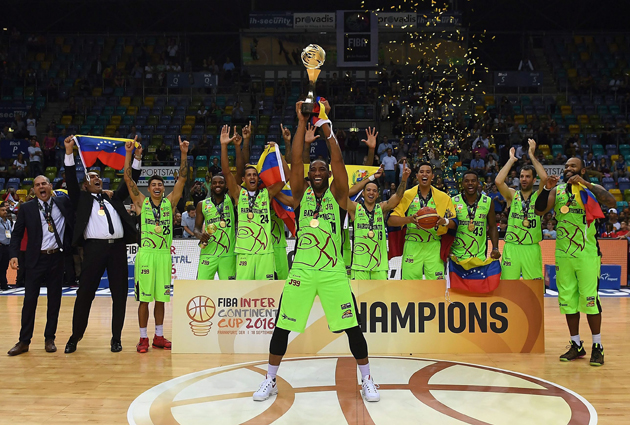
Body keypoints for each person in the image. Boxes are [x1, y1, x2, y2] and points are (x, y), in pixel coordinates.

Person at [253, 100, 380, 403]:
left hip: (333, 271)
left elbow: (337, 161)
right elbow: (296, 160)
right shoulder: (300, 194)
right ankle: (269, 380)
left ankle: (368, 381)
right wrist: (301, 123)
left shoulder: (338, 194)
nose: (319, 171)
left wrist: (327, 129)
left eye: (323, 169)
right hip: (302, 271)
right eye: (315, 169)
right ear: (310, 176)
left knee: (352, 329)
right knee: (282, 326)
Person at [62, 137, 142, 354]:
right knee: (85, 294)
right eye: (92, 177)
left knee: (120, 295)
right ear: (85, 185)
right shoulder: (82, 199)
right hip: (94, 250)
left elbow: (130, 181)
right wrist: (69, 152)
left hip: (117, 249)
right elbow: (70, 178)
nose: (97, 179)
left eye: (98, 177)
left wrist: (135, 157)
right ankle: (74, 337)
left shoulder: (113, 197)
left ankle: (116, 338)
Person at [535, 157, 616, 366]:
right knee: (568, 301)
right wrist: (545, 188)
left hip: (587, 254)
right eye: (567, 167)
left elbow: (611, 201)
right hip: (563, 254)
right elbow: (539, 210)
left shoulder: (591, 190)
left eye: (573, 166)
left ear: (583, 170)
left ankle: (597, 346)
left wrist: (587, 184)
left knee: (589, 300)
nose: (568, 169)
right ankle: (576, 344)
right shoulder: (558, 191)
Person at [124, 136, 189, 353]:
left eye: (160, 184)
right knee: (144, 299)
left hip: (163, 255)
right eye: (154, 185)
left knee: (161, 299)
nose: (158, 187)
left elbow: (182, 178)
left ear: (164, 187)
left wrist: (183, 153)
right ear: (148, 188)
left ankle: (158, 336)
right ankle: (143, 338)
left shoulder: (170, 204)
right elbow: (127, 178)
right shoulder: (141, 203)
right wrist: (130, 154)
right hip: (147, 254)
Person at [7, 175, 74, 356]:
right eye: (37, 185)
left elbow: (80, 198)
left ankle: (49, 338)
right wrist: (13, 255)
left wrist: (106, 193)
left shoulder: (62, 203)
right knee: (29, 301)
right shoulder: (27, 208)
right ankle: (24, 341)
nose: (41, 187)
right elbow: (17, 234)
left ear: (50, 186)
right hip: (35, 260)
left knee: (54, 301)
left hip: (57, 258)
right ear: (34, 190)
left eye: (44, 183)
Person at [219, 125, 285, 280]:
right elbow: (227, 172)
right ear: (243, 179)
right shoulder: (237, 193)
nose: (252, 177)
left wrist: (277, 152)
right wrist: (223, 146)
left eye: (255, 175)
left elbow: (284, 177)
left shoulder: (266, 194)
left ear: (258, 178)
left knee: (265, 293)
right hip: (244, 251)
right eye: (248, 175)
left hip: (265, 252)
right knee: (243, 294)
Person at [388, 162, 458, 280]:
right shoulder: (407, 195)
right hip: (412, 244)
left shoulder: (443, 197)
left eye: (428, 172)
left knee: (437, 286)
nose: (424, 174)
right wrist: (409, 219)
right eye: (421, 172)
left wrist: (443, 221)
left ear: (432, 176)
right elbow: (391, 221)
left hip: (434, 245)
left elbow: (454, 223)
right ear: (417, 176)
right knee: (409, 287)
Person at [495, 139, 548, 280]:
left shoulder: (539, 196)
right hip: (512, 247)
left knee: (534, 288)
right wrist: (511, 160)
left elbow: (545, 177)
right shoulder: (512, 195)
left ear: (534, 180)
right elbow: (498, 181)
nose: (524, 179)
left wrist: (531, 155)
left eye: (528, 177)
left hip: (531, 247)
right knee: (508, 287)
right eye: (522, 176)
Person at [347, 162, 410, 279]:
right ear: (363, 193)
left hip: (380, 266)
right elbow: (343, 195)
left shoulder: (381, 208)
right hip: (359, 266)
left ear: (377, 195)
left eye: (374, 191)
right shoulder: (355, 208)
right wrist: (370, 178)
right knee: (359, 298)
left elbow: (398, 196)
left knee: (380, 298)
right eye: (368, 190)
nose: (371, 192)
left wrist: (404, 180)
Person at [451, 171, 501, 262]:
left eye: (473, 181)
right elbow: (449, 228)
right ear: (462, 183)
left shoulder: (488, 201)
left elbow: (493, 226)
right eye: (467, 181)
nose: (470, 183)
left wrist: (495, 248)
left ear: (478, 183)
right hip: (457, 257)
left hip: (479, 256)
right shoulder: (453, 201)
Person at [194, 174, 236, 280]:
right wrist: (200, 235)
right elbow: (196, 229)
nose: (218, 185)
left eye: (221, 182)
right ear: (211, 186)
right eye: (215, 183)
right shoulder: (202, 204)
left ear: (226, 185)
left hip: (228, 254)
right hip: (208, 252)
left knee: (229, 290)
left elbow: (237, 176)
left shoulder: (231, 199)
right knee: (201, 287)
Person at [0, 202, 12, 291]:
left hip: (7, 246)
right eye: (2, 210)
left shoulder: (8, 221)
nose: (5, 212)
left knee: (4, 266)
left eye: (5, 210)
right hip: (0, 245)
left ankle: (4, 284)